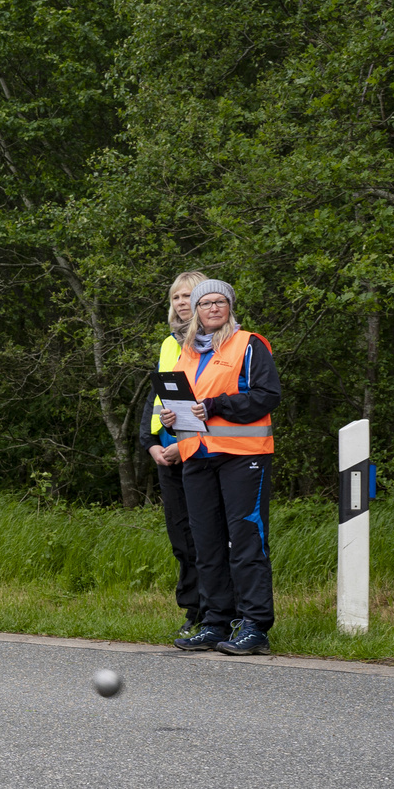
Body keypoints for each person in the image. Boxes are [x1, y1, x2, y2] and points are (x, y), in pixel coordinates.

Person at [170, 279, 281, 656]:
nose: (213, 308)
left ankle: (255, 627)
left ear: (230, 307)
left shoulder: (249, 344)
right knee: (207, 544)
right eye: (206, 303)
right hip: (197, 455)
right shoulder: (186, 351)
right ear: (196, 311)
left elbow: (267, 396)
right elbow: (189, 402)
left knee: (245, 542)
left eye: (220, 302)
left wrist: (217, 406)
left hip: (242, 455)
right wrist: (173, 419)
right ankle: (216, 622)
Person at [140, 271, 207, 636]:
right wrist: (150, 445)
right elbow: (157, 398)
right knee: (181, 538)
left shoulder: (213, 343)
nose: (182, 302)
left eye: (188, 295)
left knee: (207, 538)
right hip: (166, 452)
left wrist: (183, 447)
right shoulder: (169, 343)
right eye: (176, 297)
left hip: (200, 453)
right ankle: (193, 609)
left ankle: (214, 611)